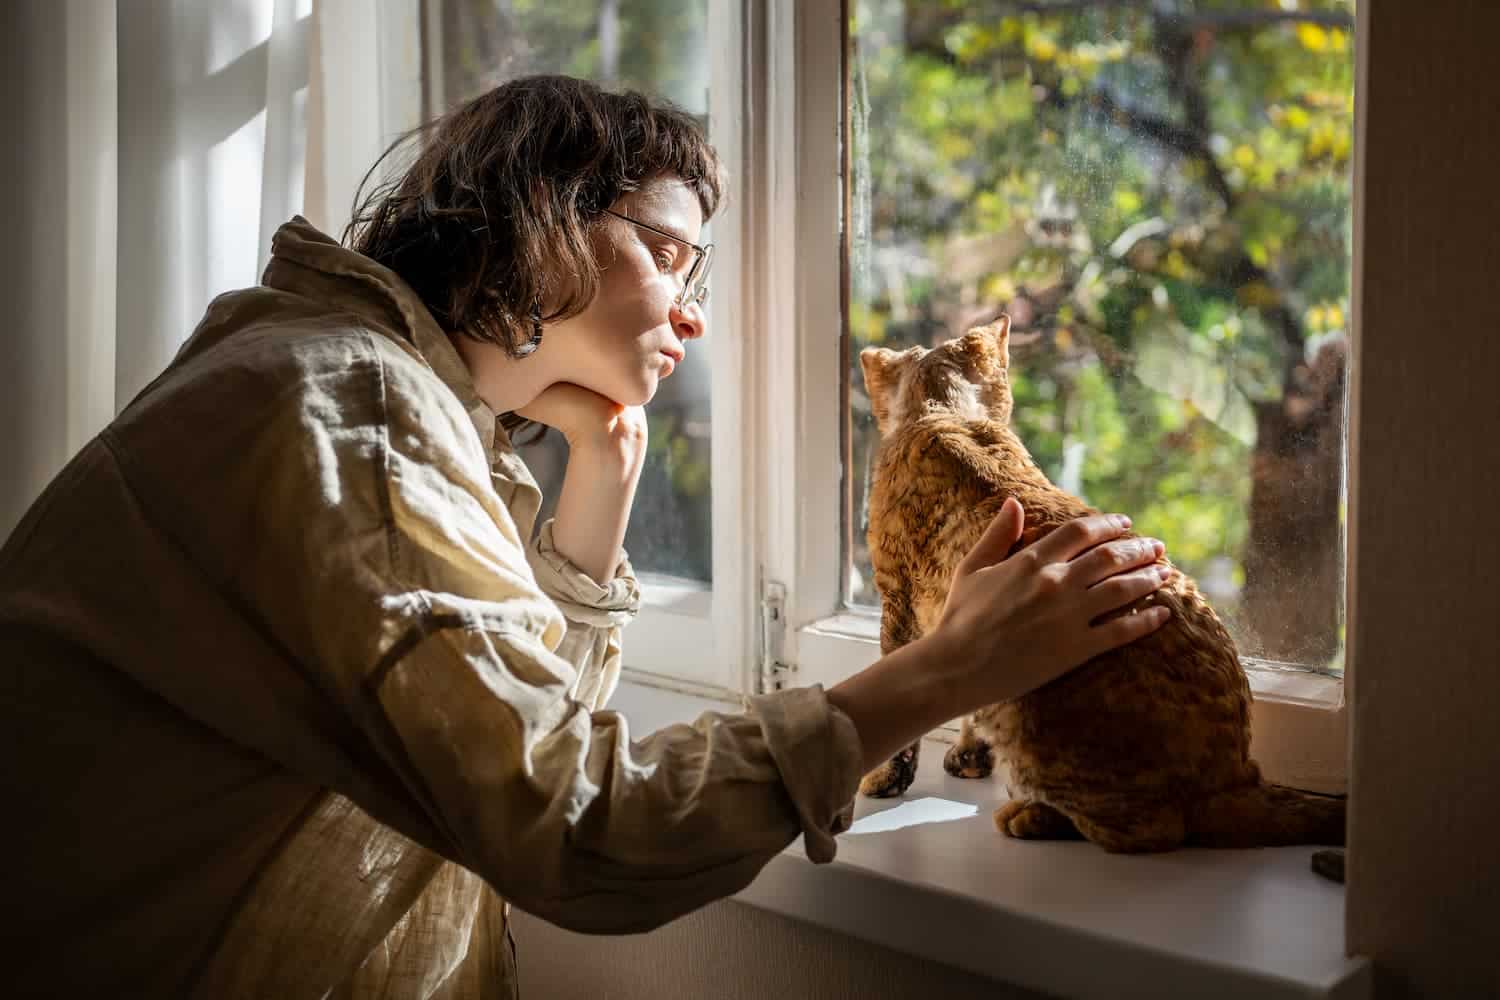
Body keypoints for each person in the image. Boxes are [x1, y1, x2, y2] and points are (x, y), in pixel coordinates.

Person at [0, 75, 1172, 997]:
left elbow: (487, 739)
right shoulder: (353, 414)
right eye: (669, 253)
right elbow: (573, 827)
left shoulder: (333, 369)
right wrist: (952, 668)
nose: (695, 310)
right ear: (542, 217)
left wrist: (599, 486)